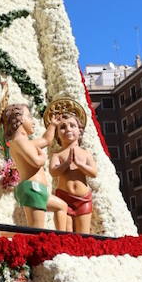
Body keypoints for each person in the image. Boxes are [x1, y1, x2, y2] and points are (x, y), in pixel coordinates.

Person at [1, 100, 68, 229]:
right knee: (36, 229)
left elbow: (46, 140)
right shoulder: (19, 141)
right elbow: (37, 162)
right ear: (19, 119)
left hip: (38, 189)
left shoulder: (26, 142)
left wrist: (53, 125)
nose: (33, 121)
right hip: (33, 188)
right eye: (29, 117)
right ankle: (3, 237)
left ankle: (62, 238)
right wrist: (43, 156)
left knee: (62, 207)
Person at [46, 99, 97, 235]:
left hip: (83, 199)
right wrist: (67, 163)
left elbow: (93, 173)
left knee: (83, 234)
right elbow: (53, 172)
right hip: (64, 199)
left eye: (72, 126)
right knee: (66, 233)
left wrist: (80, 165)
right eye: (62, 127)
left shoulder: (86, 154)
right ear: (57, 134)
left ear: (79, 131)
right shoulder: (58, 155)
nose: (68, 129)